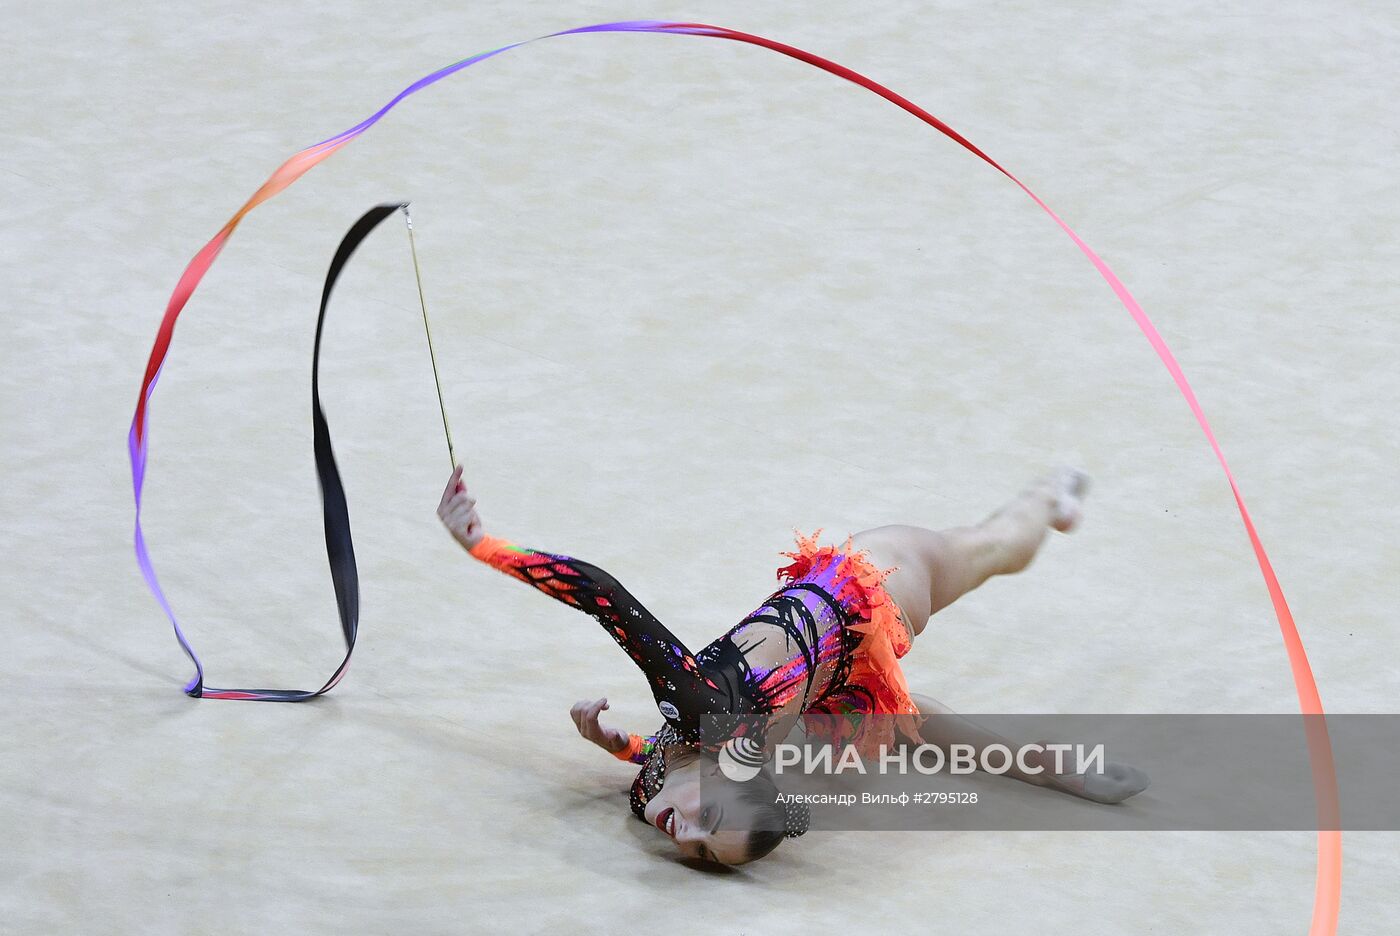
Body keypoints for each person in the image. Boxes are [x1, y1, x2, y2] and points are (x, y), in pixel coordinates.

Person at [437, 465, 1148, 866]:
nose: (682, 835)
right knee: (987, 554)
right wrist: (484, 547)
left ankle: (1044, 502)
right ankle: (1042, 505)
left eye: (699, 848)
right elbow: (602, 594)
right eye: (708, 831)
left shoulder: (682, 759)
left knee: (924, 684)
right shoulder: (703, 717)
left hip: (824, 665)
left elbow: (654, 747)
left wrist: (611, 743)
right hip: (880, 590)